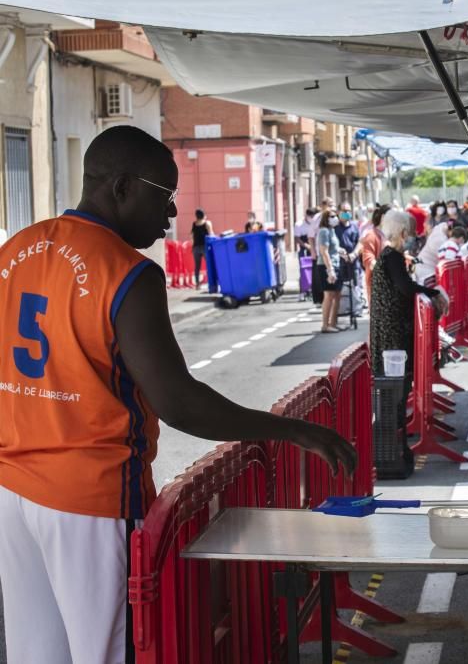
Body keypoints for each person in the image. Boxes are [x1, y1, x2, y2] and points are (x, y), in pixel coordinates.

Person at [0, 125, 356, 664]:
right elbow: (178, 402)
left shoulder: (15, 253)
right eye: (165, 194)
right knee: (107, 652)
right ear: (121, 187)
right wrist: (293, 429)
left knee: (36, 654)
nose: (171, 214)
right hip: (90, 501)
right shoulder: (128, 273)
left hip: (12, 492)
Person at [369, 210, 448, 378]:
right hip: (392, 331)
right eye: (412, 232)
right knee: (396, 383)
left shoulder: (391, 255)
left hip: (389, 328)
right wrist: (435, 293)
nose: (414, 236)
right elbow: (406, 287)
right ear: (403, 233)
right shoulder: (392, 256)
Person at [315, 211, 343, 333]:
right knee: (329, 295)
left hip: (336, 264)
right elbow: (324, 251)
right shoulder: (324, 231)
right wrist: (330, 270)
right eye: (332, 216)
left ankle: (333, 323)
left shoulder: (332, 231)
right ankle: (325, 325)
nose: (335, 218)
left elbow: (334, 248)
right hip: (326, 266)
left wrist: (342, 252)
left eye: (336, 216)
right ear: (326, 218)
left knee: (337, 295)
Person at [333, 205, 362, 324]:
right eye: (344, 211)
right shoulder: (335, 228)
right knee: (340, 288)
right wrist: (342, 255)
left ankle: (356, 310)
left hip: (353, 261)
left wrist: (354, 254)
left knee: (355, 286)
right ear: (339, 212)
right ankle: (340, 310)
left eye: (349, 210)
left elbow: (360, 242)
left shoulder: (354, 226)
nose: (347, 213)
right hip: (339, 262)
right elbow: (333, 245)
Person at [360, 204, 389, 305]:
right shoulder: (371, 235)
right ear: (383, 217)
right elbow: (369, 259)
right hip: (378, 284)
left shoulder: (391, 234)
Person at [190, 208, 213, 287]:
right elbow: (211, 234)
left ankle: (197, 284)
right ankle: (210, 283)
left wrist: (192, 247)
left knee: (197, 266)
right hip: (205, 247)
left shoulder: (194, 224)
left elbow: (192, 236)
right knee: (209, 265)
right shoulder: (207, 223)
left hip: (196, 248)